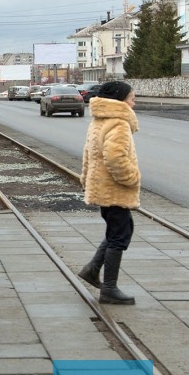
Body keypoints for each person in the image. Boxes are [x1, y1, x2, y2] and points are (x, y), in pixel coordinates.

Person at [76, 81, 141, 305]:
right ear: (120, 101)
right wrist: (132, 178)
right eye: (132, 98)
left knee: (118, 230)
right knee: (119, 235)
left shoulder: (99, 120)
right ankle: (109, 288)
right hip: (114, 188)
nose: (134, 102)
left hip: (101, 186)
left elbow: (88, 154)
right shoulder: (118, 123)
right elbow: (115, 157)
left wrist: (85, 178)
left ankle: (92, 271)